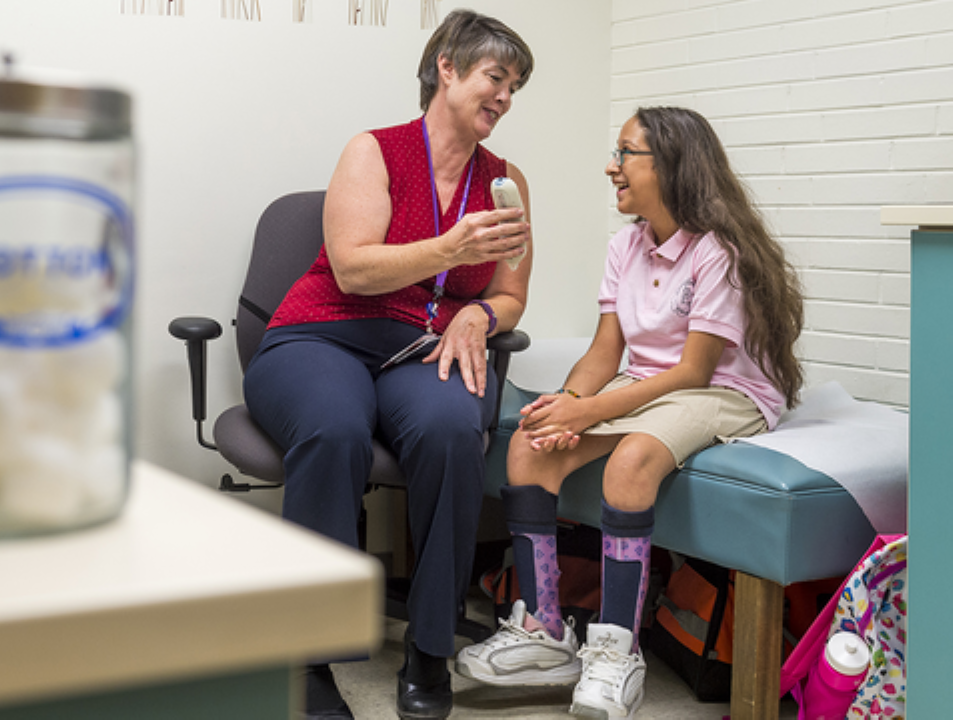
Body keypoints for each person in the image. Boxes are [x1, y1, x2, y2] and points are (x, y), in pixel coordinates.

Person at [454, 106, 805, 719]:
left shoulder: (717, 252)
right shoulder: (626, 245)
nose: (610, 167)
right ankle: (545, 632)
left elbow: (694, 373)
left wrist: (591, 412)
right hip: (649, 383)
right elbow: (605, 352)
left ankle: (618, 652)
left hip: (723, 389)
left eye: (624, 154)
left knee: (633, 460)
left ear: (669, 165)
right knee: (527, 446)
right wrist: (567, 404)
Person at [242, 10, 534, 720]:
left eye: (515, 87)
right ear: (448, 68)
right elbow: (352, 268)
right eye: (496, 77)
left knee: (450, 432)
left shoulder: (506, 180)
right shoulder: (374, 151)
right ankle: (306, 662)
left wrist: (479, 313)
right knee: (335, 429)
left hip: (420, 348)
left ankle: (430, 651)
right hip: (323, 335)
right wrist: (449, 250)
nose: (504, 96)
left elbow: (511, 292)